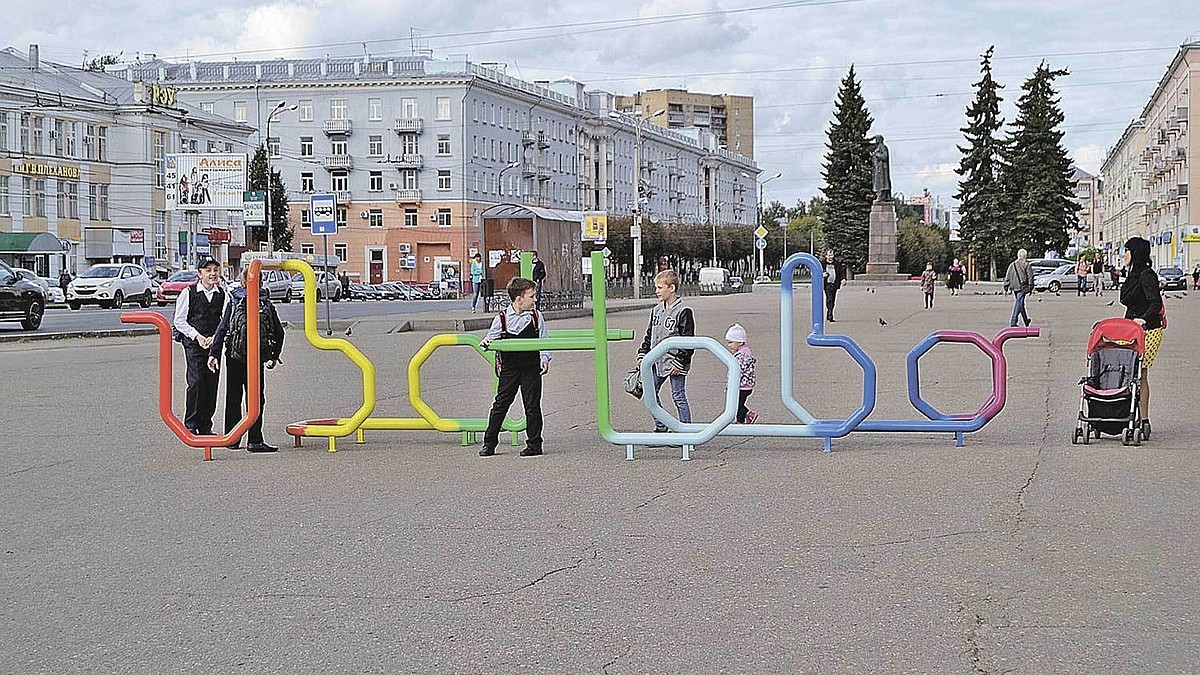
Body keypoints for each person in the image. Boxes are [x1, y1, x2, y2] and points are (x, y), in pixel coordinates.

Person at [208, 267, 285, 452]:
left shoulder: (235, 300)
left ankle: (232, 439)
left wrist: (214, 353)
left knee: (233, 397)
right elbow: (279, 331)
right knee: (256, 398)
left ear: (243, 282)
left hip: (234, 355)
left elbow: (222, 327)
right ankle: (255, 440)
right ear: (260, 283)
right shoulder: (265, 302)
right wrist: (274, 355)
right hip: (256, 357)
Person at [478, 277, 550, 457]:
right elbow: (490, 338)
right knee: (501, 404)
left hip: (531, 367)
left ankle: (534, 444)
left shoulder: (536, 316)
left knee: (532, 405)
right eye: (531, 296)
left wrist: (545, 358)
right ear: (519, 299)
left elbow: (544, 340)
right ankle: (489, 443)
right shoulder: (502, 318)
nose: (535, 300)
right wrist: (486, 343)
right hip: (510, 368)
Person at [172, 256, 227, 436]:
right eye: (208, 270)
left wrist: (215, 338)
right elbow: (179, 321)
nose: (212, 274)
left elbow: (225, 320)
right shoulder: (189, 293)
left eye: (215, 270)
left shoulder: (223, 294)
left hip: (213, 345)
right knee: (196, 381)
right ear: (199, 273)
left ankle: (206, 424)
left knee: (211, 384)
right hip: (194, 344)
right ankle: (191, 423)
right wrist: (197, 336)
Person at [637, 269, 695, 434]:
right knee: (650, 394)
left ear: (672, 288)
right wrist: (643, 353)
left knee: (678, 396)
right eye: (656, 287)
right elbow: (650, 334)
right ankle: (661, 426)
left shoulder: (684, 311)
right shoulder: (656, 310)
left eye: (660, 287)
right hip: (656, 361)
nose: (656, 291)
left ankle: (686, 431)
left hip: (675, 362)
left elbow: (688, 340)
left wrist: (681, 361)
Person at [1119, 236, 1164, 439]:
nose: (1124, 255)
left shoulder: (1147, 275)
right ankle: (1124, 413)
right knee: (1127, 370)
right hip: (1130, 327)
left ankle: (1143, 419)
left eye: (1127, 251)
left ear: (1135, 253)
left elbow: (1155, 302)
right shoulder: (1133, 275)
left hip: (1148, 330)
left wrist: (1143, 320)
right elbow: (1127, 299)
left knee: (1140, 373)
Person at [725, 323, 757, 424]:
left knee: (737, 404)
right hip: (746, 385)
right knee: (739, 403)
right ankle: (747, 416)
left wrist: (730, 384)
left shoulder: (742, 356)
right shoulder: (745, 353)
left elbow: (737, 371)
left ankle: (742, 419)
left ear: (739, 342)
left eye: (731, 342)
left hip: (742, 386)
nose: (729, 345)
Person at [1003, 249, 1034, 327]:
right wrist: (1031, 287)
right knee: (1018, 303)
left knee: (1020, 303)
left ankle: (1026, 320)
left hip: (1014, 287)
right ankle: (1013, 321)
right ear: (1025, 256)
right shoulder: (1026, 265)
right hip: (1023, 287)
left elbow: (1007, 277)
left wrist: (1006, 288)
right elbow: (1030, 277)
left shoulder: (1012, 265)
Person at [821, 249, 846, 322]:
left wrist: (843, 279)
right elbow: (818, 271)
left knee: (833, 299)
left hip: (834, 284)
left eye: (831, 255)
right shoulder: (822, 264)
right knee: (829, 299)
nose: (830, 257)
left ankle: (830, 312)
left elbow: (841, 272)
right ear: (826, 256)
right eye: (829, 255)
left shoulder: (837, 264)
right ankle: (830, 314)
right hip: (827, 284)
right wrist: (822, 274)